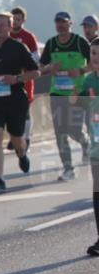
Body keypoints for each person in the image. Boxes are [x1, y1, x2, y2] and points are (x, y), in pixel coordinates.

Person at [0, 12, 38, 194]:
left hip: (15, 100)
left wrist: (17, 78)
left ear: (10, 27)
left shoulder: (18, 48)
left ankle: (22, 153)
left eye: (3, 25)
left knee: (17, 138)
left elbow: (36, 72)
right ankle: (0, 179)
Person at [39, 11, 91, 180]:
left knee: (73, 130)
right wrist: (49, 69)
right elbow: (40, 68)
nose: (60, 25)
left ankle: (84, 142)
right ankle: (68, 168)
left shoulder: (79, 42)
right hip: (57, 94)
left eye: (63, 22)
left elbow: (95, 63)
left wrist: (81, 70)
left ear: (70, 24)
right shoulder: (51, 43)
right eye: (57, 22)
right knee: (60, 131)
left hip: (77, 94)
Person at [70, 37, 99, 256]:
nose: (95, 58)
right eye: (93, 54)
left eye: (98, 54)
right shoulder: (89, 80)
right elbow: (78, 103)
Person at [8, 6, 40, 150]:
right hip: (9, 78)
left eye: (18, 19)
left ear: (23, 20)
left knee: (25, 109)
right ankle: (14, 137)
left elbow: (36, 57)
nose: (15, 22)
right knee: (10, 110)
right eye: (13, 19)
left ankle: (26, 137)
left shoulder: (28, 36)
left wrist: (22, 61)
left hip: (25, 77)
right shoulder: (6, 35)